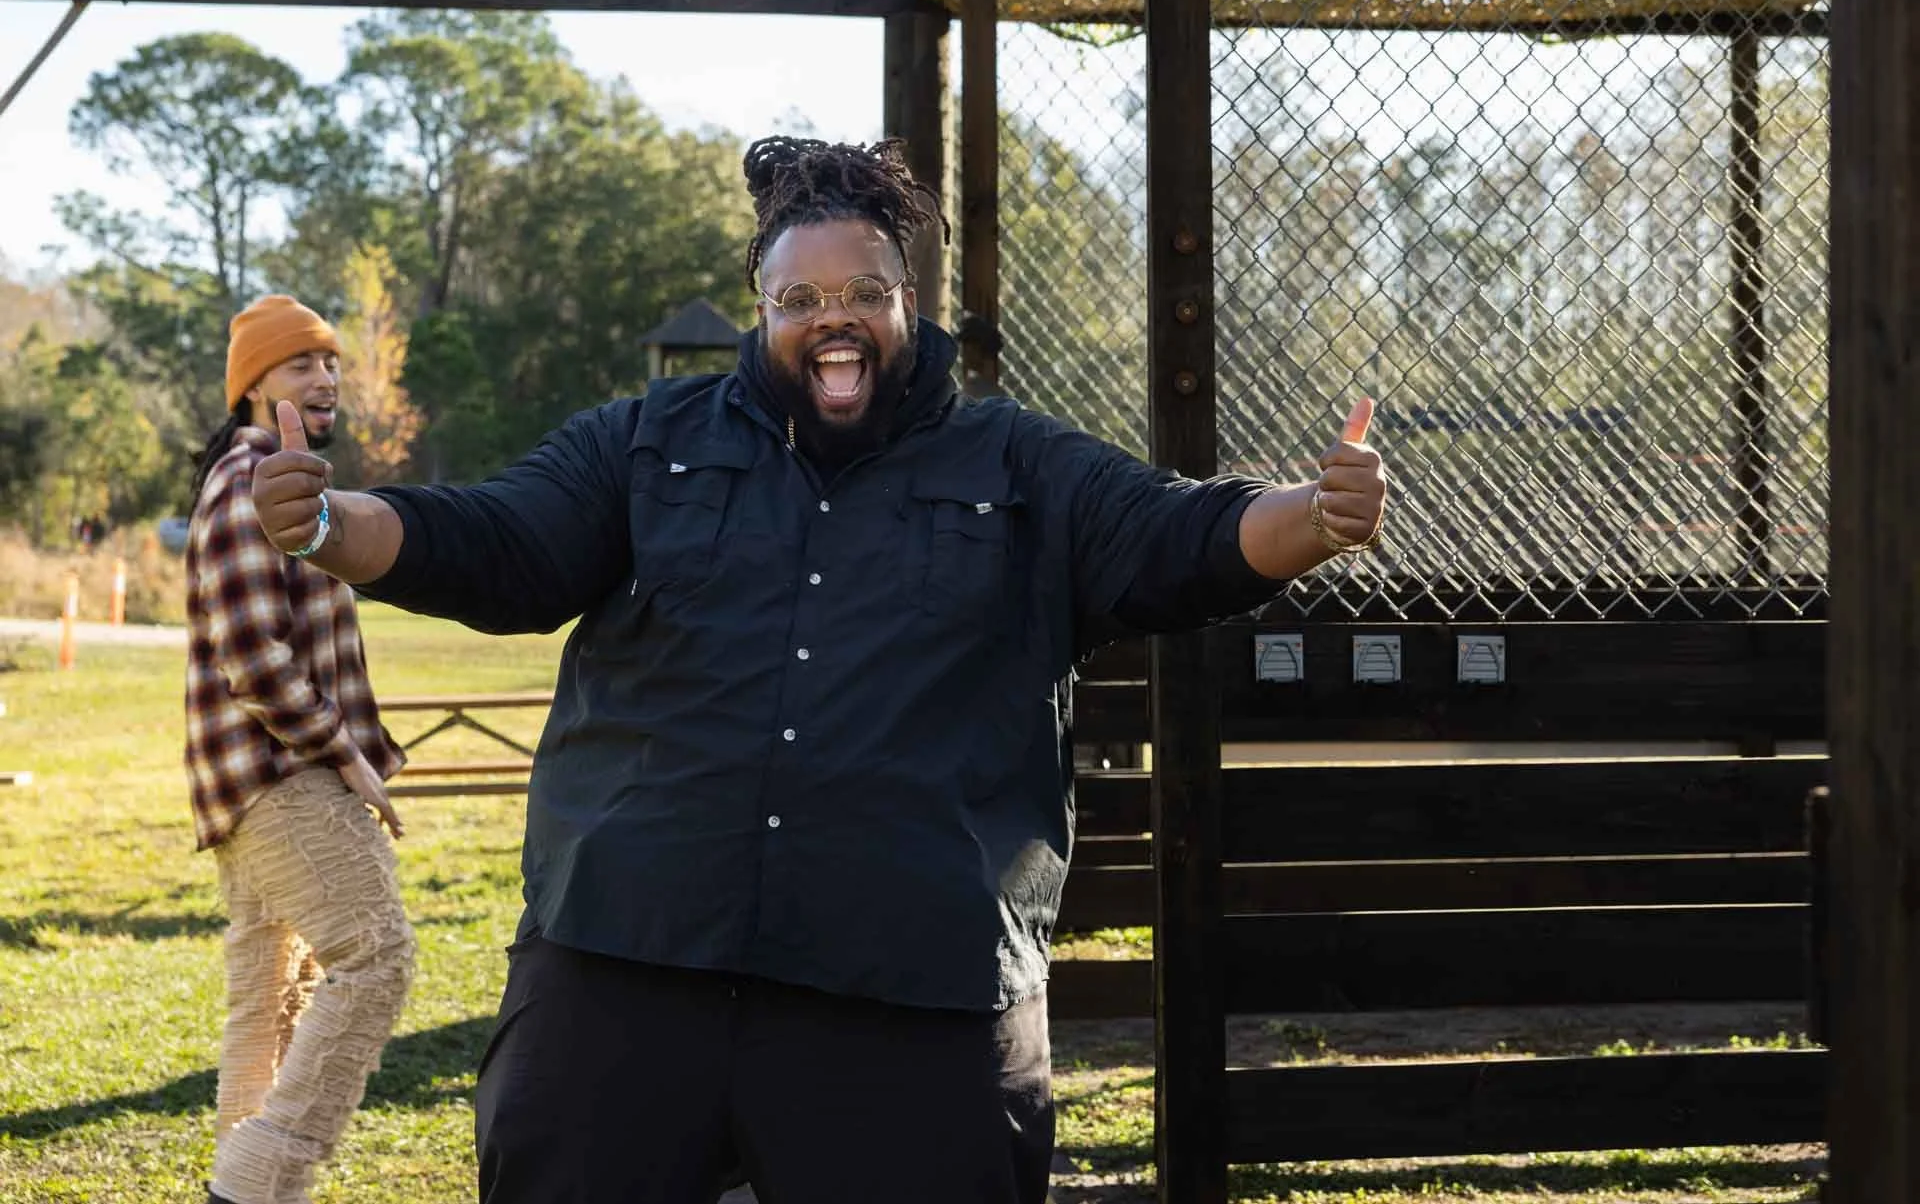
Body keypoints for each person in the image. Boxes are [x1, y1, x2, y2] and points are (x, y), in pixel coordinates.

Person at [250, 136, 1389, 1204]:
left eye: (862, 295)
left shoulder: (1021, 462)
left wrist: (1311, 517)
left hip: (911, 992)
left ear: (907, 302)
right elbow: (497, 541)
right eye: (800, 299)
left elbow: (1173, 537)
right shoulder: (647, 444)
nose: (831, 321)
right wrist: (331, 526)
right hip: (629, 961)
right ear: (763, 310)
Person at [184, 294, 415, 1204]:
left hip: (245, 783)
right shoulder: (254, 476)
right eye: (298, 365)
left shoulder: (276, 476)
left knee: (269, 990)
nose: (323, 378)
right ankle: (258, 1179)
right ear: (252, 390)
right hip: (280, 774)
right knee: (377, 955)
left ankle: (244, 1181)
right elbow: (252, 656)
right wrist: (345, 750)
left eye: (328, 363)